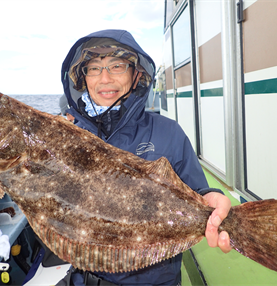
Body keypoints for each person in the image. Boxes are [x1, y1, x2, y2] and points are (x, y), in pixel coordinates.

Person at [61, 29, 232, 286]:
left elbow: (199, 191)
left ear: (136, 73)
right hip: (85, 279)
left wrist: (211, 200)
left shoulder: (168, 132)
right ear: (83, 79)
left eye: (116, 66)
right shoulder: (68, 137)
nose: (105, 78)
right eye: (94, 68)